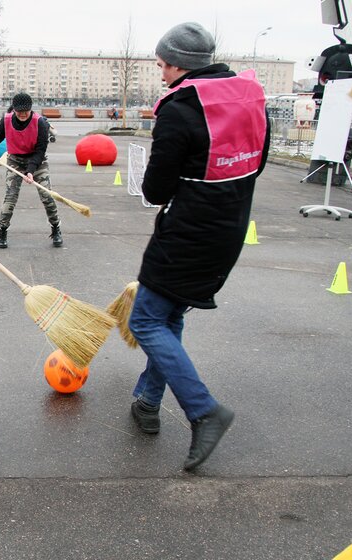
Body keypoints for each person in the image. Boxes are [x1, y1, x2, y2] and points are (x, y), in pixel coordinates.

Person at [126, 22, 270, 470]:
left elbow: (155, 189)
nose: (160, 74)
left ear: (177, 64)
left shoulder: (180, 106)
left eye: (161, 65)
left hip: (185, 235)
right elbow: (259, 163)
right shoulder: (249, 97)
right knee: (169, 315)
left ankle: (204, 411)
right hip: (228, 230)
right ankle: (148, 401)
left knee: (146, 321)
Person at [0, 92, 62, 249]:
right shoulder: (7, 119)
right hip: (15, 160)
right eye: (19, 111)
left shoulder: (40, 123)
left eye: (26, 112)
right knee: (10, 196)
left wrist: (30, 170)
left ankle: (56, 228)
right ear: (14, 110)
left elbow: (41, 150)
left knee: (46, 195)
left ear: (31, 109)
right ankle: (2, 230)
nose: (22, 115)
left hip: (37, 161)